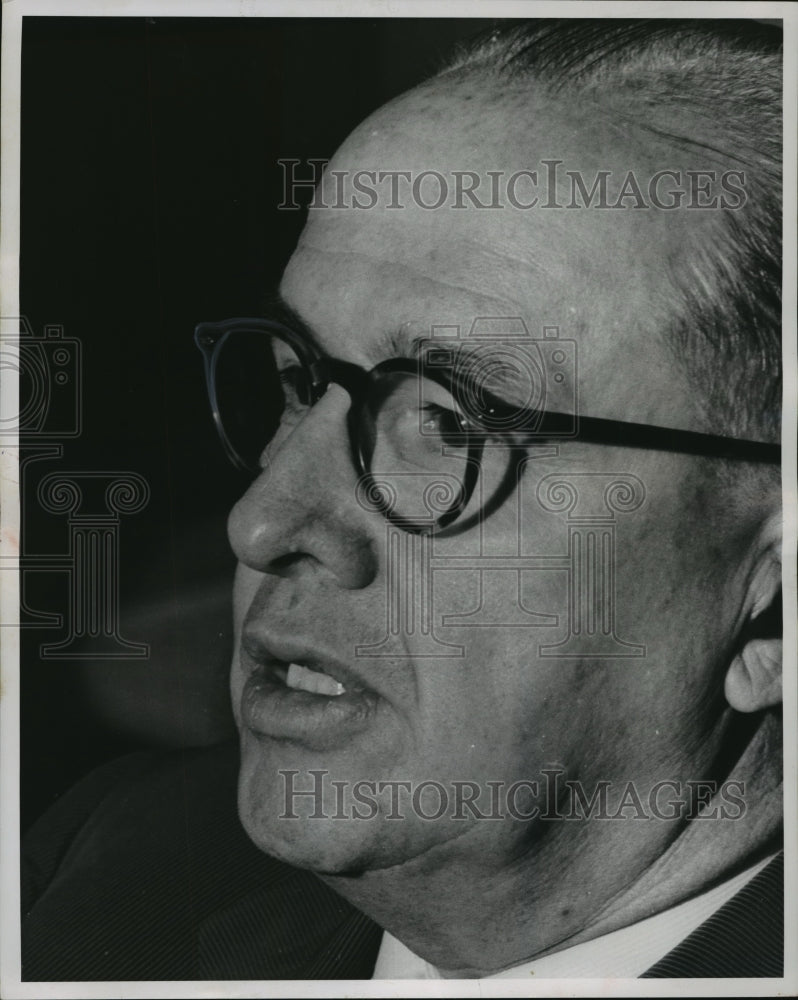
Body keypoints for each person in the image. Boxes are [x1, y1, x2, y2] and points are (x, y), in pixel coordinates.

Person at [21, 18, 784, 981]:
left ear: (773, 603)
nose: (262, 523)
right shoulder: (113, 865)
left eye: (454, 425)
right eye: (300, 381)